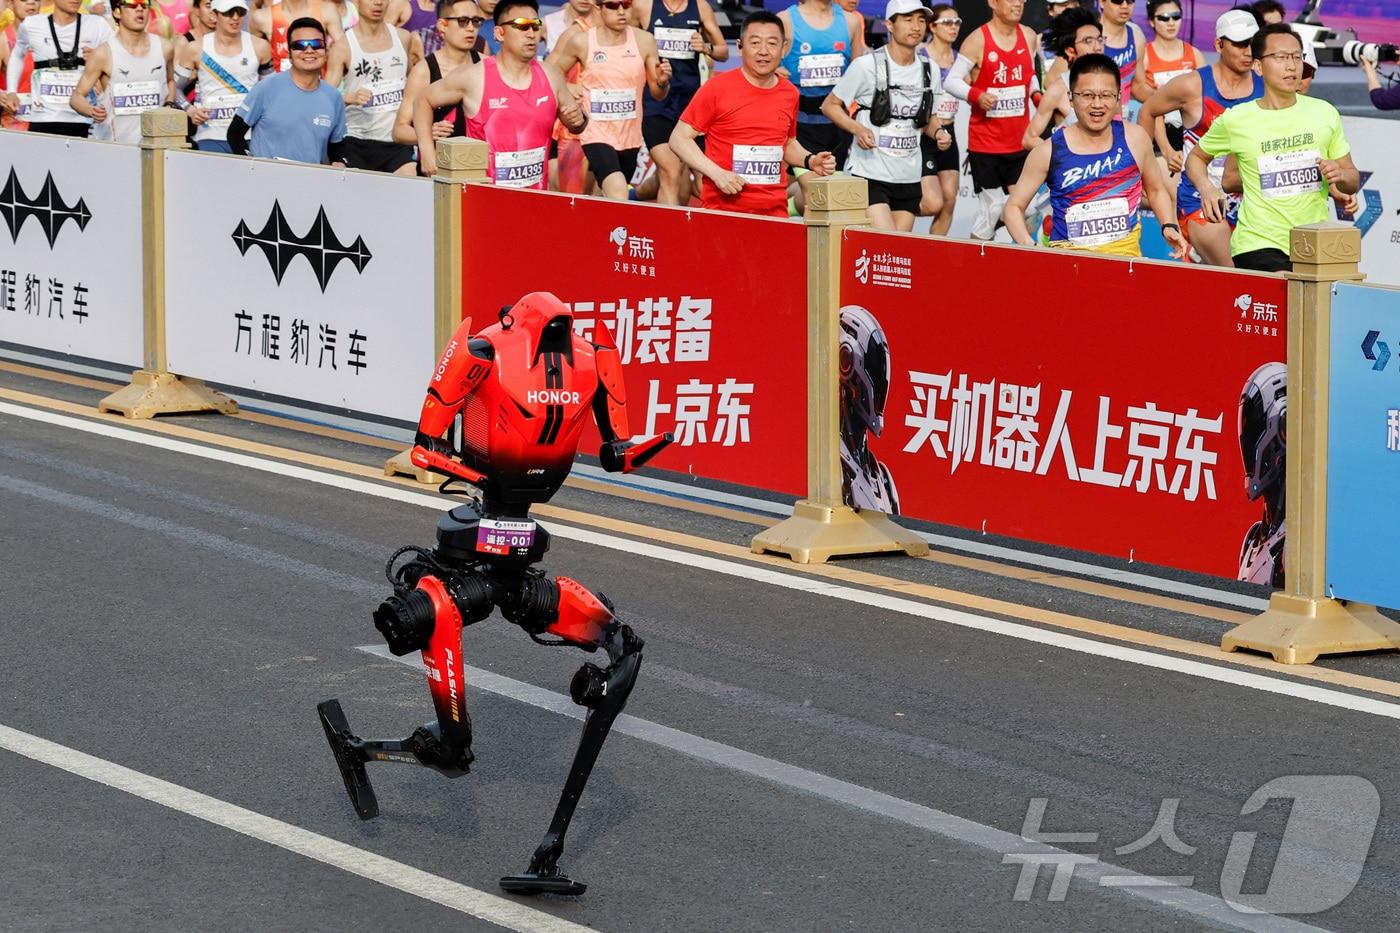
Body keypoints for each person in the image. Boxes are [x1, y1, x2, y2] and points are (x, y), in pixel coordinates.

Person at [1186, 22, 1358, 272]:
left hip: (1313, 244)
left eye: (1296, 57)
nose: (1291, 66)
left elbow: (1352, 179)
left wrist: (1339, 175)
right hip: (1257, 244)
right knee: (1285, 286)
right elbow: (1196, 158)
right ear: (1258, 66)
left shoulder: (1325, 113)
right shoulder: (1237, 119)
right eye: (1280, 57)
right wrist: (1206, 188)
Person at [1004, 53, 1186, 258]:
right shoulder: (1047, 151)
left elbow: (1156, 190)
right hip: (1068, 265)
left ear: (1118, 97)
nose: (1097, 104)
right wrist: (1030, 246)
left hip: (1125, 263)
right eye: (1088, 95)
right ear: (1071, 98)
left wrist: (1168, 226)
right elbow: (1013, 207)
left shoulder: (1136, 138)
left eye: (1106, 95)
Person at [670, 10, 836, 216]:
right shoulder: (716, 88)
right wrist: (717, 174)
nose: (763, 51)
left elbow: (787, 142)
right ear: (740, 47)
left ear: (784, 48)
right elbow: (679, 138)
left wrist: (810, 160)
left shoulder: (790, 93)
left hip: (774, 213)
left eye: (772, 43)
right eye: (755, 43)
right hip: (723, 212)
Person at [1137, 8, 1262, 266]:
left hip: (1253, 199)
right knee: (1237, 271)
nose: (1248, 51)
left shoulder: (1266, 85)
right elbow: (1148, 111)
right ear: (1218, 44)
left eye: (1253, 43)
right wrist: (1148, 169)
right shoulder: (1192, 85)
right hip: (1200, 197)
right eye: (1240, 44)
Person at [417, 0, 586, 186]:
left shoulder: (550, 75)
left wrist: (579, 120)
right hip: (484, 195)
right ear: (500, 33)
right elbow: (423, 100)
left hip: (535, 195)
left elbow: (576, 124)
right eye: (522, 26)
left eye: (535, 25)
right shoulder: (475, 77)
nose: (531, 34)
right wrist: (427, 152)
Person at [822, 0, 946, 232]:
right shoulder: (866, 65)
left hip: (908, 175)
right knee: (885, 240)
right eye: (908, 20)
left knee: (897, 248)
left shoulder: (931, 70)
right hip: (870, 173)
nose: (916, 26)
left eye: (921, 20)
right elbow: (830, 106)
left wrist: (939, 132)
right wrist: (858, 129)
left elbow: (928, 119)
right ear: (889, 25)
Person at [546, 0, 672, 200]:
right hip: (595, 133)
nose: (621, 11)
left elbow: (658, 94)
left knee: (607, 195)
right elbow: (552, 72)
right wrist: (569, 88)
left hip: (630, 136)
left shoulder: (645, 40)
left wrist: (663, 82)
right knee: (618, 191)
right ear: (599, 8)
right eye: (613, 5)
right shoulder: (582, 41)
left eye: (626, 4)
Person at [943, 0, 1042, 240]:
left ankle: (1018, 256)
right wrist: (976, 95)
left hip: (1019, 143)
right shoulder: (977, 40)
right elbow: (951, 81)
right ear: (993, 3)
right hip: (986, 145)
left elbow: (1029, 75)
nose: (1017, 4)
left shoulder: (1029, 36)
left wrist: (1037, 95)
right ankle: (975, 258)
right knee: (992, 211)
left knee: (1029, 209)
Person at [631, 0, 727, 205]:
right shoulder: (643, 6)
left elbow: (723, 52)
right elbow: (622, 41)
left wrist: (706, 47)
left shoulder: (701, 7)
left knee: (697, 181)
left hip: (691, 108)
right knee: (671, 172)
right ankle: (664, 226)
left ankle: (636, 196)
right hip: (656, 103)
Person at [778, 0, 862, 212]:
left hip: (836, 126)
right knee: (817, 194)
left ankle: (787, 205)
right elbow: (762, 62)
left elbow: (858, 73)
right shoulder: (786, 20)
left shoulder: (851, 22)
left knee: (828, 195)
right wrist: (774, 71)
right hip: (799, 123)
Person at [229, 16, 348, 162]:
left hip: (310, 176)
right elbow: (234, 134)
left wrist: (339, 162)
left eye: (316, 44)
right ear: (289, 53)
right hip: (267, 176)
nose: (309, 50)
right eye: (300, 45)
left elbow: (336, 146)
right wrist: (251, 166)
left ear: (326, 50)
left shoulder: (334, 97)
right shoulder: (266, 87)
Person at [325, 0, 422, 173]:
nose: (378, 3)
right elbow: (325, 98)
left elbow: (412, 83)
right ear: (356, 2)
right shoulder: (342, 46)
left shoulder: (403, 38)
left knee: (410, 180)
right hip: (355, 140)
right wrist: (349, 97)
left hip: (396, 141)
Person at [69, 0, 173, 143]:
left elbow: (170, 81)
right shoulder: (103, 53)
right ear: (117, 12)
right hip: (116, 146)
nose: (139, 9)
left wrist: (169, 103)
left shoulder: (165, 47)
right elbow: (76, 96)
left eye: (144, 5)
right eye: (132, 5)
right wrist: (91, 110)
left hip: (156, 146)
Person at [5, 0, 113, 136]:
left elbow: (120, 57)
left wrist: (100, 57)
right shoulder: (31, 24)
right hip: (44, 117)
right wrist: (11, 91)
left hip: (85, 118)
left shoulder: (97, 24)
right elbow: (17, 55)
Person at [175, 0, 270, 153]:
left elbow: (270, 91)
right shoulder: (195, 48)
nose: (235, 17)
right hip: (210, 134)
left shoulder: (260, 46)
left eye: (240, 12)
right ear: (215, 14)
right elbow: (175, 88)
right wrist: (191, 111)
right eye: (228, 12)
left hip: (250, 134)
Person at [391, 0, 479, 149]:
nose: (471, 28)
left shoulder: (486, 64)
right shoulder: (424, 71)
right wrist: (427, 133)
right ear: (443, 25)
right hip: (437, 159)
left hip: (480, 158)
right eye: (463, 21)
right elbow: (399, 131)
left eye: (476, 21)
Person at [1022, 5, 1103, 148]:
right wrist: (1061, 154)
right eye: (1088, 41)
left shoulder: (1110, 83)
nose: (1097, 47)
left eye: (1100, 39)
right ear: (1070, 51)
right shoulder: (1058, 90)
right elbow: (1029, 139)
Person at [920, 3, 960, 232]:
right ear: (933, 27)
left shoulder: (961, 60)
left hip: (949, 132)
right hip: (924, 133)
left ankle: (936, 248)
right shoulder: (921, 56)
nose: (953, 27)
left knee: (949, 200)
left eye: (957, 22)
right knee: (932, 203)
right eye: (947, 22)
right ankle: (888, 207)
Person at [250, 0, 343, 73]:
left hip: (318, 84)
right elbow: (252, 57)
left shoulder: (326, 10)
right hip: (282, 86)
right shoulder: (262, 17)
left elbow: (344, 50)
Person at [1098, 0, 1145, 120]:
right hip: (1095, 113)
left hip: (1125, 114)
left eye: (1130, 1)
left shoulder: (1137, 37)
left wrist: (1165, 98)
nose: (1125, 6)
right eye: (1117, 0)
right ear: (1102, 2)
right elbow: (1055, 81)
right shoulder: (1086, 38)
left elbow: (1138, 86)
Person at [0, 0, 41, 129]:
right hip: (13, 124)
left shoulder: (52, 37)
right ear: (10, 4)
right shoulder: (3, 39)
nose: (31, 2)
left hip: (47, 123)